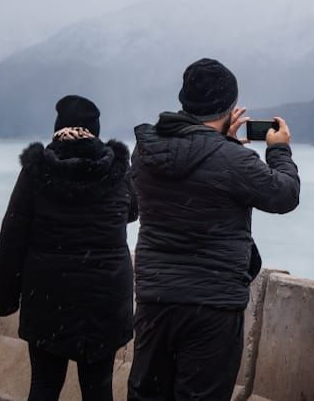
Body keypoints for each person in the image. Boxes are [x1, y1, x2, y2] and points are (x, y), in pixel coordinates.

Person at [127, 58, 300, 401]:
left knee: (147, 394)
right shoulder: (232, 159)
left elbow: (190, 160)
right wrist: (278, 150)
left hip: (156, 299)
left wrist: (225, 144)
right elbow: (284, 194)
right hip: (212, 304)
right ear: (229, 106)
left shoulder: (146, 150)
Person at [0, 94, 138, 401]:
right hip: (105, 297)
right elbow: (132, 212)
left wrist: (6, 299)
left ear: (58, 128)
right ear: (95, 130)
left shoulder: (36, 170)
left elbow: (13, 235)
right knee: (99, 389)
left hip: (48, 295)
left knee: (45, 385)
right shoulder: (117, 170)